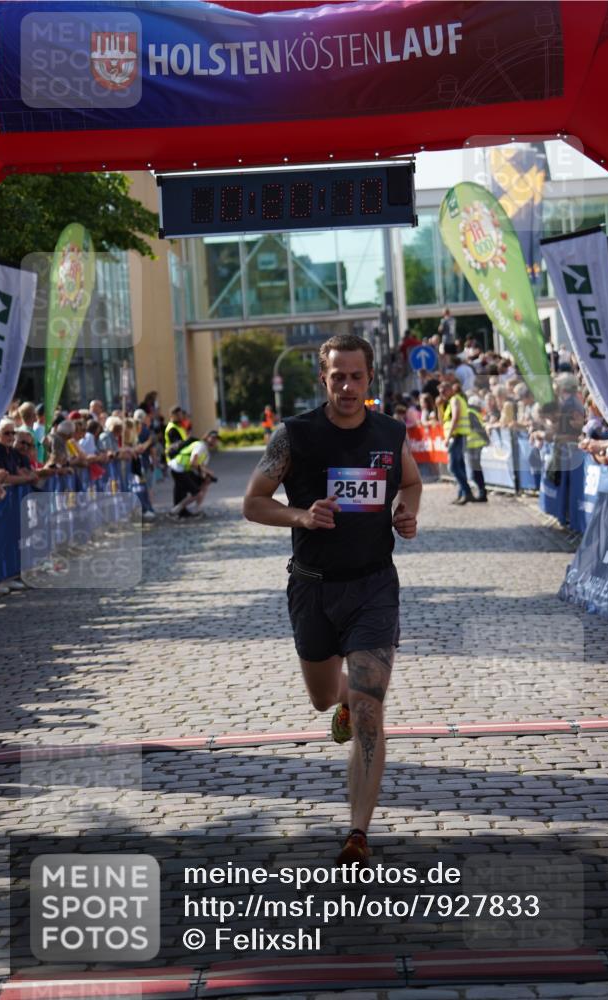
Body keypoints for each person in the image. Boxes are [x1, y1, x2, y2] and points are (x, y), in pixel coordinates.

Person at [243, 333, 422, 866]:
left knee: (370, 707)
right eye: (337, 376)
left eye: (356, 376)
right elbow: (253, 503)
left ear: (370, 379)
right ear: (324, 379)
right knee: (326, 698)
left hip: (373, 586)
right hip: (313, 587)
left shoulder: (390, 433)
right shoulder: (294, 436)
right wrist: (301, 516)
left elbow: (409, 483)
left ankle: (357, 832)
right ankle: (339, 700)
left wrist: (406, 512)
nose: (347, 386)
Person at [168, 430, 218, 519]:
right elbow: (193, 462)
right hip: (178, 468)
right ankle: (175, 511)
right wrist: (207, 472)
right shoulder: (201, 446)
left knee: (203, 483)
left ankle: (190, 510)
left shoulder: (206, 452)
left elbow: (201, 467)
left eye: (216, 439)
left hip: (184, 469)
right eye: (213, 438)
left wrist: (207, 475)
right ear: (207, 437)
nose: (214, 440)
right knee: (196, 493)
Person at [439, 380, 474, 504]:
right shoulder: (454, 400)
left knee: (453, 466)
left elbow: (455, 417)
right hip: (458, 435)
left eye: (443, 392)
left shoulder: (454, 400)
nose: (442, 394)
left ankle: (467, 492)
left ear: (450, 390)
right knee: (459, 466)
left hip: (457, 435)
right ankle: (462, 494)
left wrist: (448, 437)